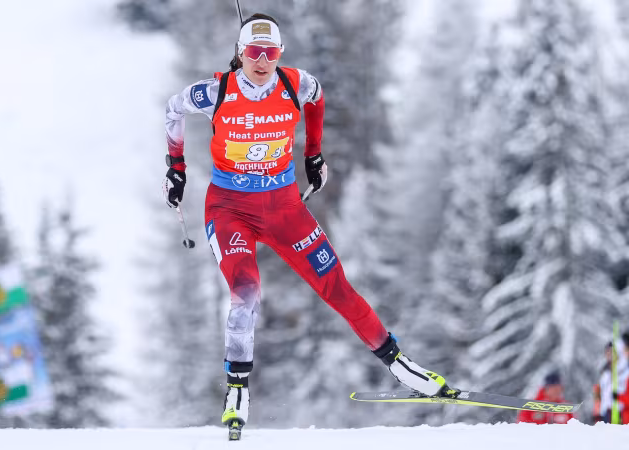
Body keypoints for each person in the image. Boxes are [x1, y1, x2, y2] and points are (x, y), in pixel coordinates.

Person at [162, 13, 453, 431]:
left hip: (284, 209)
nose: (262, 61)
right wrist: (176, 168)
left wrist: (313, 153)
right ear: (240, 54)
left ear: (281, 53)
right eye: (254, 52)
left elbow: (317, 98)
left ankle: (400, 365)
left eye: (271, 52)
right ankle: (237, 389)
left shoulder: (296, 84)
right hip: (230, 208)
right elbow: (173, 109)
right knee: (246, 291)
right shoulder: (216, 92)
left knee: (336, 285)